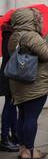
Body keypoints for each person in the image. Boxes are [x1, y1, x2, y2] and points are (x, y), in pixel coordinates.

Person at [8, 8, 48, 159]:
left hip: (18, 83)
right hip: (34, 83)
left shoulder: (14, 36)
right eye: (38, 19)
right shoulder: (31, 36)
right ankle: (30, 151)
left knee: (23, 116)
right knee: (32, 117)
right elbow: (45, 55)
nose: (40, 21)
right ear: (31, 20)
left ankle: (23, 148)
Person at [0, 21, 19, 152]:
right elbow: (12, 55)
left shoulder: (9, 34)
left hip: (9, 73)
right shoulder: (10, 36)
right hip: (9, 74)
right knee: (9, 105)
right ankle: (5, 138)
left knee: (11, 105)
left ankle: (13, 136)